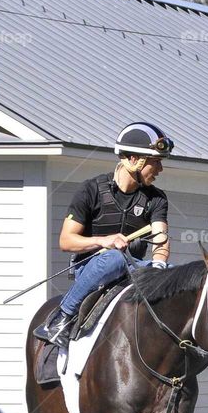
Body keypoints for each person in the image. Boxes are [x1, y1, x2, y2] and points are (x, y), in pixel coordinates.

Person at [33, 122, 173, 348]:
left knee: (175, 273)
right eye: (155, 162)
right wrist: (103, 241)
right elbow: (66, 240)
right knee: (115, 259)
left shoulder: (157, 199)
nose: (160, 169)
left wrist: (159, 267)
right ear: (133, 160)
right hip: (91, 268)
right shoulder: (90, 190)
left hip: (133, 267)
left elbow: (161, 242)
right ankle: (60, 319)